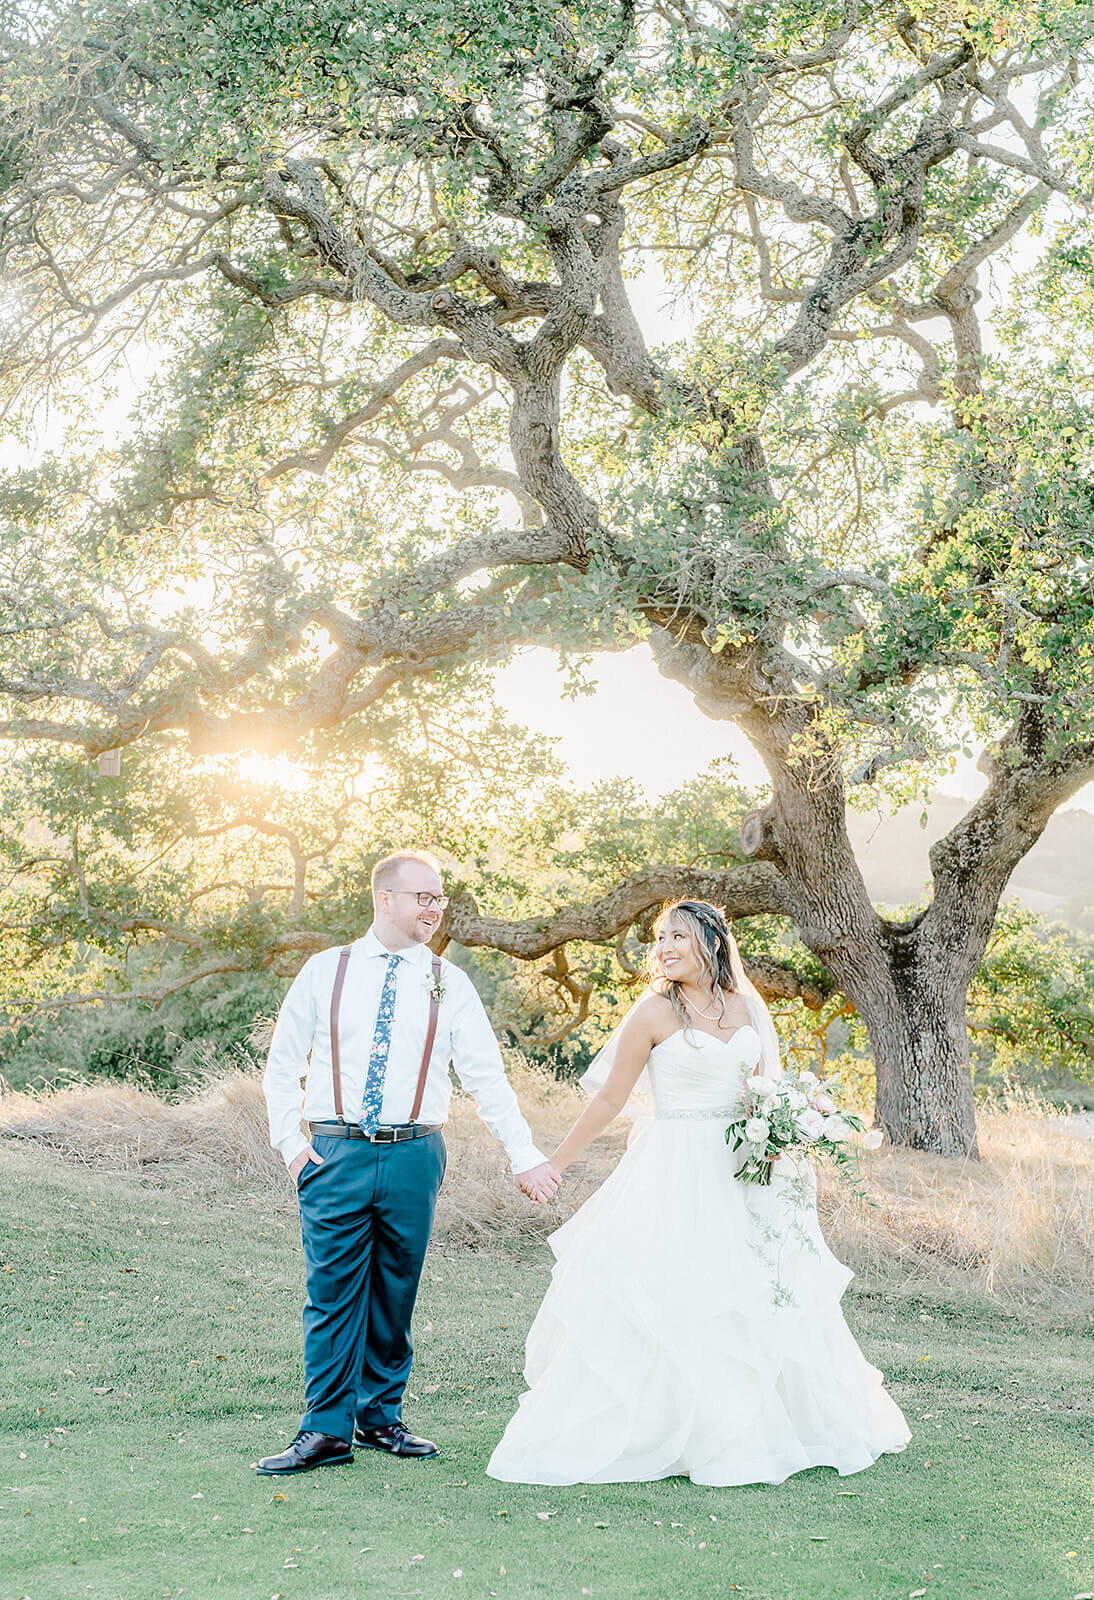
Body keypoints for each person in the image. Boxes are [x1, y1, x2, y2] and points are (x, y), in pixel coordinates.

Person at [487, 898, 910, 1487]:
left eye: (676, 937)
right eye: (660, 938)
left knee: (750, 1291)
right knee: (671, 1290)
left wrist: (786, 1130)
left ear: (711, 942)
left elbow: (767, 1087)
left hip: (745, 1165)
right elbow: (610, 1100)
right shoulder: (654, 1011)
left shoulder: (746, 1005)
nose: (663, 949)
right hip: (673, 1163)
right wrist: (553, 1163)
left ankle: (749, 1426)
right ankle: (661, 1427)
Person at [256, 849, 559, 1475]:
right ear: (385, 899)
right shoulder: (325, 971)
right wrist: (292, 1147)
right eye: (424, 896)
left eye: (439, 898)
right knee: (332, 1293)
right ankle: (325, 1429)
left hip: (417, 1154)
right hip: (334, 1151)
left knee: (396, 1290)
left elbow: (486, 1077)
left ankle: (379, 1417)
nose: (435, 908)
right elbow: (283, 1065)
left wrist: (523, 1154)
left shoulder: (449, 980)